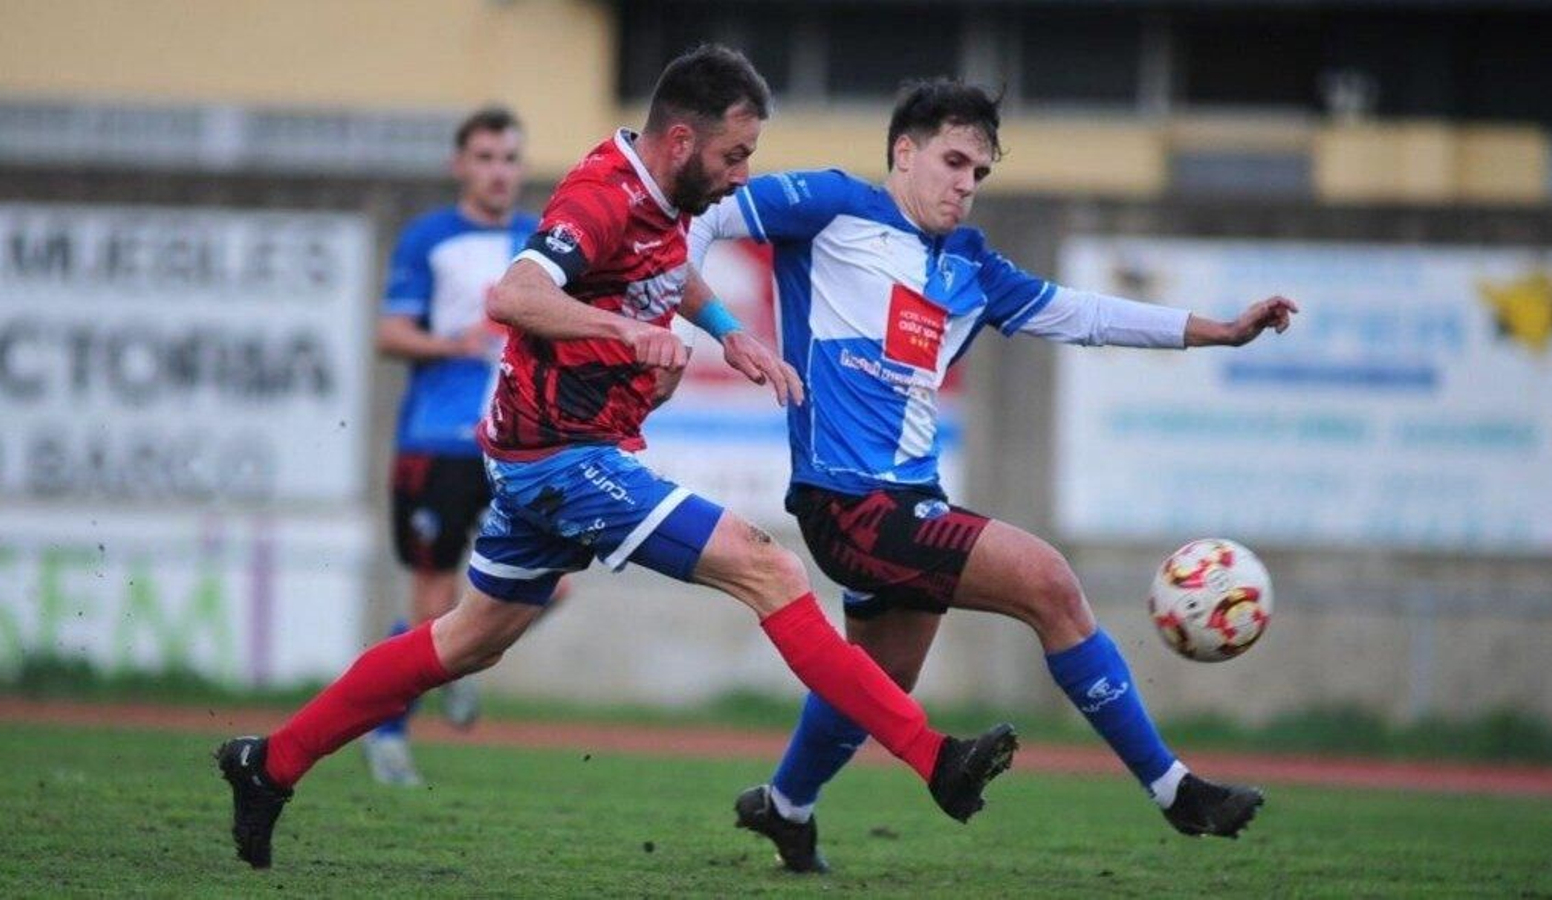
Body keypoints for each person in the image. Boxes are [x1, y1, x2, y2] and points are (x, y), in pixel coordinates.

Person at [215, 46, 1018, 871]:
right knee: (767, 568)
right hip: (563, 459)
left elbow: (672, 269)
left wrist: (730, 333)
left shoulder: (667, 195)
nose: (744, 175)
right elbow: (514, 295)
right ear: (679, 141)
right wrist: (625, 331)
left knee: (465, 642)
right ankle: (934, 759)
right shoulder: (601, 196)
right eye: (734, 155)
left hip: (544, 453)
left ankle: (267, 764)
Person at [689, 78, 1298, 873]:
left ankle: (787, 806)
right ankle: (1175, 790)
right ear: (903, 154)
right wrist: (711, 320)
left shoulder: (971, 268)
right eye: (952, 161)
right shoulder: (834, 206)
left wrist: (1216, 330)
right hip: (846, 503)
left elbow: (1082, 313)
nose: (965, 184)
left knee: (877, 680)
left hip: (909, 500)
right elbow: (703, 214)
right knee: (1048, 581)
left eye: (979, 172)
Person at [366, 105, 545, 786]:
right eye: (486, 158)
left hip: (519, 441)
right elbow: (389, 333)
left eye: (509, 159)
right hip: (438, 440)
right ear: (460, 165)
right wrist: (455, 343)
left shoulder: (540, 239)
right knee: (430, 599)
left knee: (549, 582)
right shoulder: (429, 238)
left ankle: (460, 659)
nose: (499, 172)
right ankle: (387, 733)